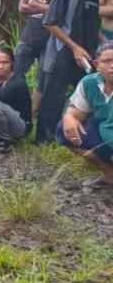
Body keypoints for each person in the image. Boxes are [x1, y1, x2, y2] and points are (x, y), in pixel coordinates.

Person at [35, 0, 111, 144]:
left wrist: (105, 44)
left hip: (87, 53)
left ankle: (79, 137)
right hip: (63, 50)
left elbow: (93, 21)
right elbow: (50, 22)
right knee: (54, 95)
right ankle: (44, 139)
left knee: (87, 93)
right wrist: (74, 47)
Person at [58, 41, 113, 187]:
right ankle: (110, 174)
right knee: (64, 129)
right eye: (107, 61)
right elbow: (75, 113)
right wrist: (69, 117)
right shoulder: (90, 83)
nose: (112, 65)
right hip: (105, 134)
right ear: (96, 64)